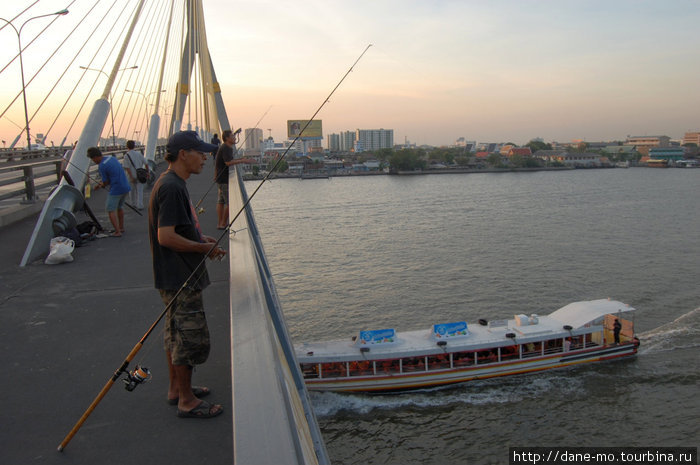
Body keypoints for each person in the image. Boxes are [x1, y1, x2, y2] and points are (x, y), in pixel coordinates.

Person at [148, 130, 226, 419]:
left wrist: (200, 238)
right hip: (180, 277)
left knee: (174, 336)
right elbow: (166, 237)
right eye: (200, 152)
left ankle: (176, 390)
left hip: (176, 275)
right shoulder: (172, 188)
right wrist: (200, 249)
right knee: (187, 339)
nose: (206, 157)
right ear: (183, 154)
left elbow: (179, 229)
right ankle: (187, 400)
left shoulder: (172, 183)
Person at [213, 129, 254, 229]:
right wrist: (242, 161)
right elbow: (228, 162)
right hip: (223, 179)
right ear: (227, 138)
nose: (235, 138)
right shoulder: (226, 148)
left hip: (220, 178)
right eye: (233, 136)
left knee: (221, 201)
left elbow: (220, 163)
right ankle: (223, 223)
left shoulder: (224, 147)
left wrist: (241, 160)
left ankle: (220, 223)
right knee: (229, 203)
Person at [87, 147, 131, 237]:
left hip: (116, 189)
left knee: (110, 209)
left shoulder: (102, 166)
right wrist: (101, 184)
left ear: (95, 157)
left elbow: (106, 182)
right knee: (119, 207)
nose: (93, 161)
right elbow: (112, 175)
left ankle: (117, 231)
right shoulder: (112, 158)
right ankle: (121, 227)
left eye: (92, 159)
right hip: (125, 186)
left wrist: (101, 185)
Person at [122, 140, 147, 209]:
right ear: (134, 146)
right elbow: (146, 163)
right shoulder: (139, 154)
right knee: (139, 191)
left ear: (127, 146)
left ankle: (133, 204)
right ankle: (140, 205)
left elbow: (127, 167)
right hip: (140, 175)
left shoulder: (126, 155)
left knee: (132, 191)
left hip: (131, 176)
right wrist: (147, 172)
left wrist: (131, 176)